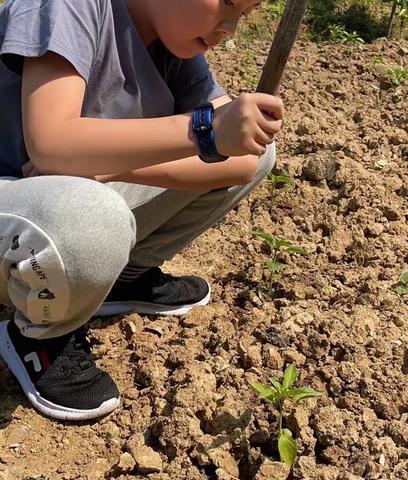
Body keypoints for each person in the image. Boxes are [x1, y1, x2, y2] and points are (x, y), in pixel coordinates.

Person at [0, 0, 284, 421]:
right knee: (92, 213)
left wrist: (107, 168)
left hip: (55, 201)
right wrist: (203, 129)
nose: (230, 27)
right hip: (17, 200)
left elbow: (242, 160)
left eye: (244, 13)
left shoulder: (175, 48)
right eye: (226, 3)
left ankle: (124, 277)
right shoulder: (70, 6)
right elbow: (50, 142)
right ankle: (41, 331)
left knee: (255, 156)